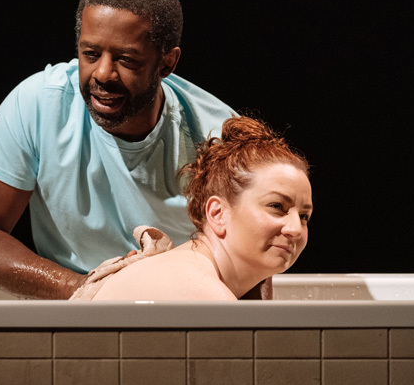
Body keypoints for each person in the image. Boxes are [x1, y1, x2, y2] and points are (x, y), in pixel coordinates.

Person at [0, 0, 236, 299]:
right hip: (70, 311)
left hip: (183, 317)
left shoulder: (220, 135)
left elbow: (250, 261)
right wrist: (90, 290)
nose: (103, 73)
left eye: (126, 59)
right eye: (90, 54)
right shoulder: (39, 103)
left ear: (167, 63)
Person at [70, 116, 312, 300]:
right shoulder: (203, 295)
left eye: (304, 216)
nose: (296, 229)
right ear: (218, 214)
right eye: (277, 206)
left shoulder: (188, 271)